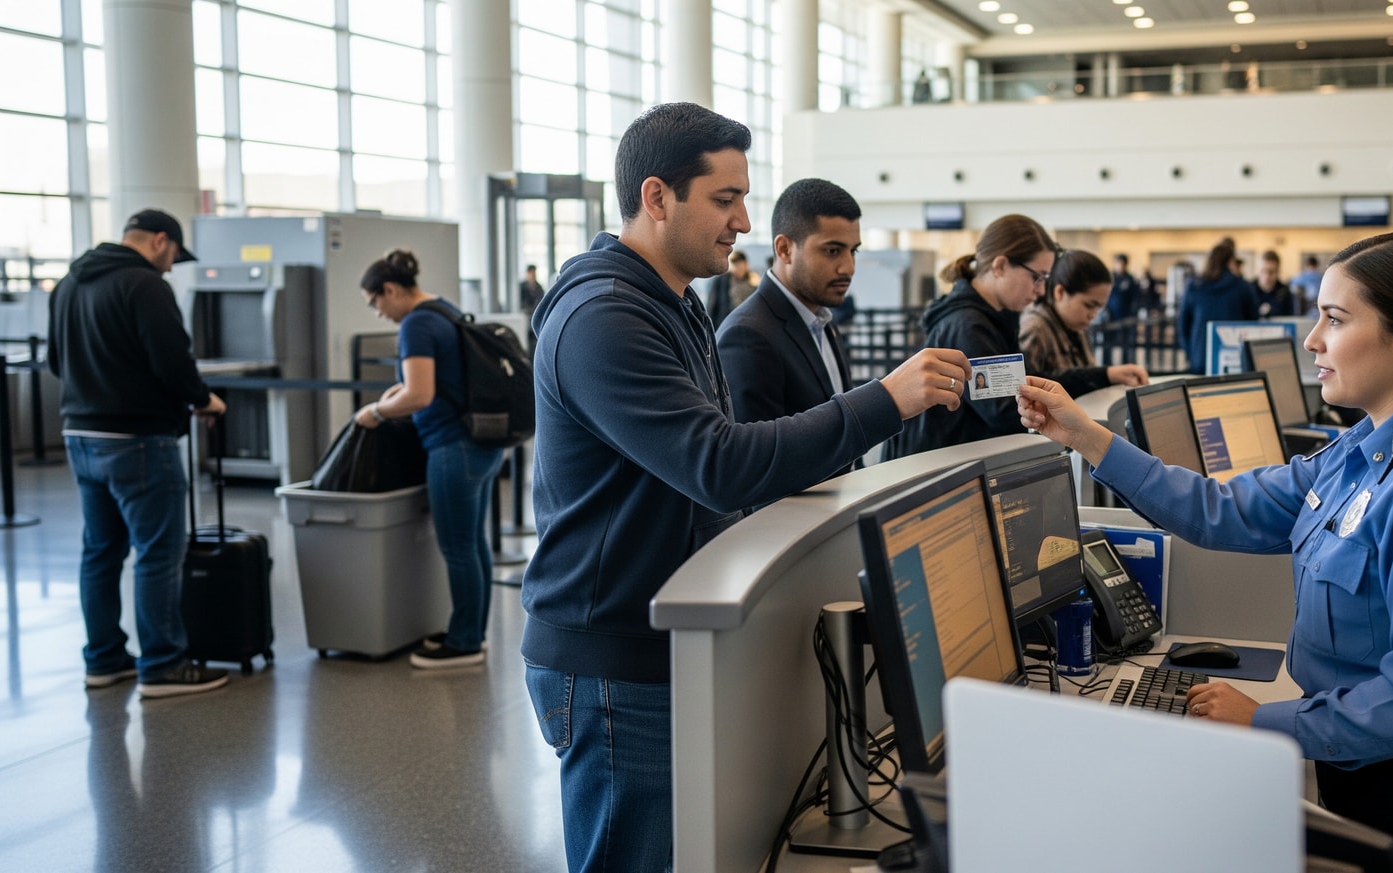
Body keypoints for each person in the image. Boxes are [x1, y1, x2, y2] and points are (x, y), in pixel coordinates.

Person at [521, 102, 970, 873]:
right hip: (612, 658)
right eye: (725, 199)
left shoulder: (673, 303)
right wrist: (885, 400)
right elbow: (718, 461)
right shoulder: (603, 316)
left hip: (658, 635)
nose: (742, 219)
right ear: (657, 197)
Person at [1016, 229, 1393, 871]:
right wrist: (1087, 437)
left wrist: (1266, 723)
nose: (1313, 340)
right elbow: (1225, 511)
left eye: (1335, 319)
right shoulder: (1366, 448)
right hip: (1372, 774)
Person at [46, 208, 230, 698]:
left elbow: (54, 361)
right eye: (172, 256)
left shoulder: (68, 284)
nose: (170, 267)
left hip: (80, 436)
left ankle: (104, 659)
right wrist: (202, 399)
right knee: (158, 552)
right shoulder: (144, 285)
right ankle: (164, 665)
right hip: (139, 441)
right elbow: (172, 360)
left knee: (100, 551)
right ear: (159, 241)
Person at [354, 249, 500, 670]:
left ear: (392, 290)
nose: (379, 313)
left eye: (375, 302)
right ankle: (474, 631)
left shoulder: (415, 324)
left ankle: (464, 642)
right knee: (474, 544)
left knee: (457, 547)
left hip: (452, 447)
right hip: (480, 440)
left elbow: (421, 393)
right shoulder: (444, 309)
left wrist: (376, 412)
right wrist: (392, 396)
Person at [717, 177, 861, 480]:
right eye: (833, 251)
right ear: (784, 249)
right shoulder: (747, 336)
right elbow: (755, 471)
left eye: (853, 251)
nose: (848, 267)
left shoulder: (822, 322)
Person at [881, 214, 1057, 460]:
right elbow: (1003, 410)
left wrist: (1102, 376)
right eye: (1037, 277)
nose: (1040, 290)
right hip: (936, 465)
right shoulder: (968, 325)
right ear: (1000, 266)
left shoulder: (995, 318)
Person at [1019, 248, 1149, 394]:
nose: (1093, 315)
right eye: (1089, 305)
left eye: (1099, 307)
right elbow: (1026, 388)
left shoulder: (1077, 326)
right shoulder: (1035, 328)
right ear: (1060, 292)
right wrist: (1106, 375)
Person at [1177, 241, 1257, 373]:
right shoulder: (1242, 287)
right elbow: (1253, 323)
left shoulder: (1194, 286)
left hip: (1200, 357)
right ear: (1230, 262)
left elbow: (1183, 325)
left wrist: (1191, 352)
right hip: (1234, 360)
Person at [705, 249, 759, 327]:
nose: (738, 269)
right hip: (724, 323)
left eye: (740, 265)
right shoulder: (722, 281)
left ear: (746, 265)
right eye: (736, 265)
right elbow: (712, 305)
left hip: (746, 323)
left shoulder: (753, 280)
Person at [1251, 249, 1295, 317]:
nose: (1267, 276)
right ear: (1257, 270)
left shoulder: (1285, 292)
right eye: (1263, 271)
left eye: (1271, 272)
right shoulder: (1248, 290)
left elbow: (1291, 317)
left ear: (1278, 271)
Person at [1105, 253, 1140, 322]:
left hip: (1126, 313)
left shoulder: (1130, 279)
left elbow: (1135, 295)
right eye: (1118, 263)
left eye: (1122, 263)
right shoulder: (1109, 278)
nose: (1120, 266)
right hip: (1111, 312)